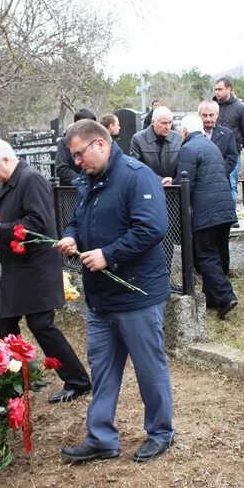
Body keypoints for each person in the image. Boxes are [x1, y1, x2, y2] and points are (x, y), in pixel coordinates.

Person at [56, 119, 175, 464]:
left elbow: (152, 227)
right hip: (101, 298)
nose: (76, 162)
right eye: (73, 156)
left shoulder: (137, 177)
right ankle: (101, 438)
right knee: (103, 369)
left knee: (149, 367)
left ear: (100, 144)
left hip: (136, 294)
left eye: (79, 154)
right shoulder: (88, 181)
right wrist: (72, 236)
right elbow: (78, 219)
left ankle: (161, 432)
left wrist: (109, 254)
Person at [0, 139, 92, 403]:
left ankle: (78, 380)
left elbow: (38, 223)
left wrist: (1, 231)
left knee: (41, 324)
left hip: (35, 268)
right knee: (5, 319)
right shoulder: (9, 181)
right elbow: (12, 222)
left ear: (5, 160)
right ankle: (12, 379)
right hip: (17, 268)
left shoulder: (31, 180)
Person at [173, 114, 238, 318]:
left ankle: (226, 296)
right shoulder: (212, 146)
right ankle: (212, 299)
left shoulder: (188, 148)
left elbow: (185, 183)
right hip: (225, 209)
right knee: (217, 253)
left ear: (184, 131)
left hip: (206, 212)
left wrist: (172, 186)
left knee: (205, 255)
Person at [213, 78, 244, 222]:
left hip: (232, 153)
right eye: (215, 89)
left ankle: (231, 216)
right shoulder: (213, 106)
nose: (217, 92)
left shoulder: (240, 108)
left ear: (228, 89)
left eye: (220, 89)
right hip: (213, 153)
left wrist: (238, 144)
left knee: (232, 183)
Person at [130, 105, 182, 181]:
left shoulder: (178, 139)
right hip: (149, 187)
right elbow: (137, 168)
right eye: (163, 123)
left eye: (170, 123)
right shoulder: (138, 139)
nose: (167, 127)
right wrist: (160, 180)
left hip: (174, 188)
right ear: (153, 122)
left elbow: (184, 166)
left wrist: (173, 180)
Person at [55, 108, 96, 186]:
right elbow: (62, 169)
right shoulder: (65, 142)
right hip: (71, 192)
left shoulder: (95, 142)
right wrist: (82, 181)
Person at [199, 100, 238, 174]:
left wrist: (217, 173)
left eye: (211, 115)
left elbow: (231, 159)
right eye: (204, 115)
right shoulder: (193, 134)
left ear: (217, 115)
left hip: (220, 179)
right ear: (199, 115)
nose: (208, 119)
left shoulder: (227, 134)